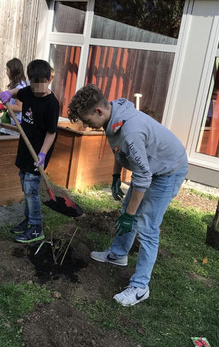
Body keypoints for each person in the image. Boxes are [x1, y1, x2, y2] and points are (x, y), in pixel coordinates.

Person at [67, 84, 188, 307]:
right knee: (128, 210)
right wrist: (115, 175)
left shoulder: (131, 131)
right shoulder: (114, 117)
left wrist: (131, 215)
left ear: (99, 112)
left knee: (146, 226)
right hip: (150, 167)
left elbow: (142, 177)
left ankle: (141, 287)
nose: (86, 125)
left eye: (87, 120)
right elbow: (119, 148)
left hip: (168, 170)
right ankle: (118, 254)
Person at [0, 60, 59, 243]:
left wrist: (42, 154)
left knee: (31, 189)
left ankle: (36, 227)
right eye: (34, 83)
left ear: (49, 79)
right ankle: (28, 220)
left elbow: (51, 132)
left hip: (38, 152)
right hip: (25, 147)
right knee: (25, 186)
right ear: (30, 80)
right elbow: (19, 92)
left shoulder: (51, 104)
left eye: (42, 83)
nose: (38, 88)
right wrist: (9, 93)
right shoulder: (29, 91)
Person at [0, 58, 29, 125]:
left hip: (18, 124)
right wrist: (2, 108)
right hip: (13, 121)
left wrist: (4, 107)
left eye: (7, 70)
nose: (6, 72)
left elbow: (20, 107)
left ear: (13, 71)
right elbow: (11, 105)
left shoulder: (20, 87)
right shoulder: (14, 85)